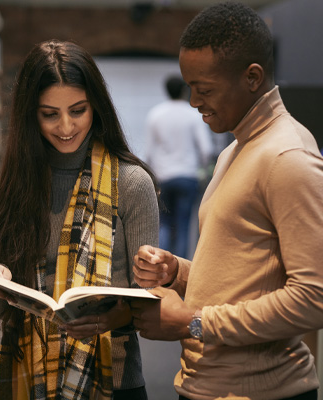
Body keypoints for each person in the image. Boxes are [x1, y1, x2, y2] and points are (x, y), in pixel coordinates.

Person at [130, 2, 323, 400]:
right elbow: (241, 274)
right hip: (210, 386)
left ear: (252, 77)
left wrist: (195, 323)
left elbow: (313, 298)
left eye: (204, 89)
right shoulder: (235, 150)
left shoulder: (286, 158)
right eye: (190, 88)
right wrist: (177, 272)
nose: (193, 102)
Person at [0, 39, 159, 400]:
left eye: (78, 110)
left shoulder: (132, 183)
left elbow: (150, 300)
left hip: (113, 381)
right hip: (30, 379)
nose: (65, 127)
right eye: (50, 114)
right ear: (31, 114)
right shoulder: (17, 181)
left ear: (97, 106)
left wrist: (111, 319)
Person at [144, 75, 214, 259]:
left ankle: (160, 265)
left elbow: (149, 153)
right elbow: (206, 149)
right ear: (184, 90)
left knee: (165, 224)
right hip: (187, 176)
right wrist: (202, 171)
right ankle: (180, 268)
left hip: (163, 176)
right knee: (183, 225)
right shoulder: (193, 115)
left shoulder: (156, 114)